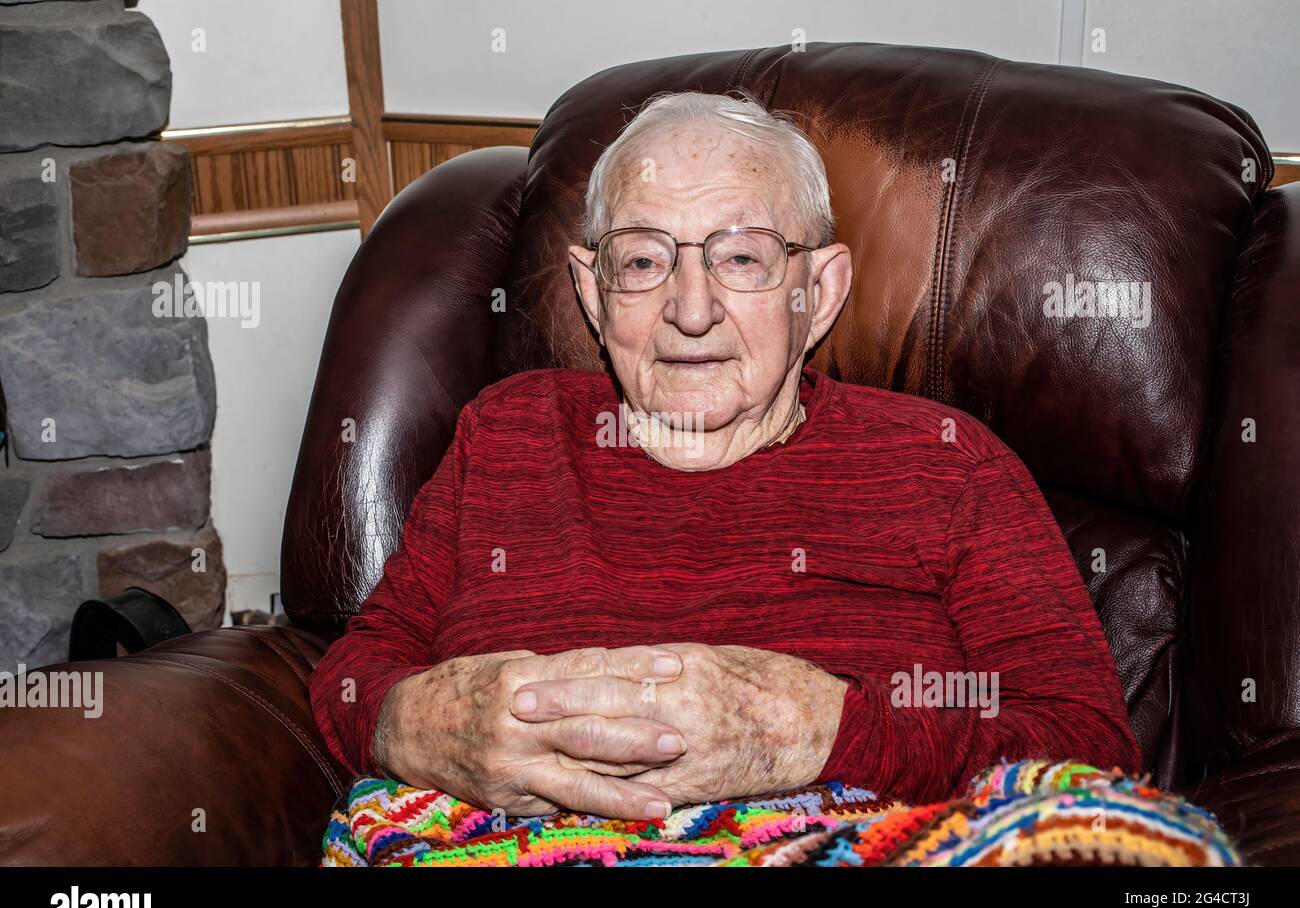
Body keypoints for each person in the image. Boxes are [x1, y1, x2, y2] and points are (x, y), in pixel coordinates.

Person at [309, 90, 1141, 822]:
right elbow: (356, 667)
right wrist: (416, 723)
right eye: (643, 261)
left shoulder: (947, 465)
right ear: (593, 294)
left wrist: (826, 733)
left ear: (816, 292)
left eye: (740, 257)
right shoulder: (508, 433)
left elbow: (1093, 751)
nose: (692, 310)